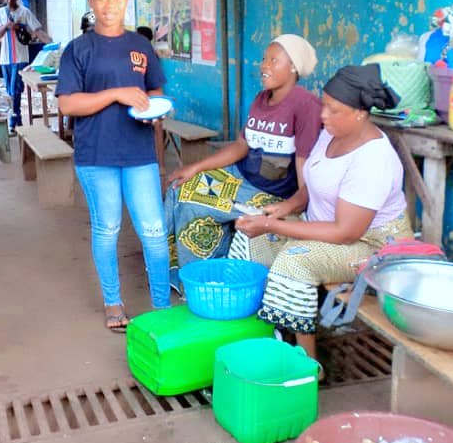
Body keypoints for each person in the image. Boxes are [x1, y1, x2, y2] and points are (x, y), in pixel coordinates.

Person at [231, 64, 412, 358]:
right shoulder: (331, 134)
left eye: (332, 109)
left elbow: (345, 232)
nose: (322, 115)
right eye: (323, 105)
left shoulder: (374, 159)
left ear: (360, 113)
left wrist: (274, 226)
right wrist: (284, 209)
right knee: (249, 237)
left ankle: (307, 363)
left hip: (371, 247)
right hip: (323, 228)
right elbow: (313, 186)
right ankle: (261, 333)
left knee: (295, 261)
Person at [56, 0, 171, 332]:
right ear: (91, 2)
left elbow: (154, 90)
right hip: (97, 155)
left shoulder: (140, 45)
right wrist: (116, 94)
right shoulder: (79, 50)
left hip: (139, 152)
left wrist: (154, 109)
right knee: (107, 228)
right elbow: (68, 105)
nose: (110, 5)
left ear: (127, 0)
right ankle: (113, 301)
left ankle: (163, 307)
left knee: (153, 230)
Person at [165, 34, 322, 291]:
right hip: (242, 177)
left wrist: (296, 206)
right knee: (181, 187)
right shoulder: (262, 98)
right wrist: (196, 167)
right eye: (264, 59)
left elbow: (307, 164)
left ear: (293, 66)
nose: (264, 66)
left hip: (271, 193)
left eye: (274, 60)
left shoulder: (306, 106)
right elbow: (242, 144)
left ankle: (207, 282)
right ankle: (178, 269)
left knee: (195, 204)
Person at [0, 0, 49, 133]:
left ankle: (12, 122)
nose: (9, 0)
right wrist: (6, 26)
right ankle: (18, 120)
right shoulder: (0, 13)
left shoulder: (25, 13)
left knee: (16, 90)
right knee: (10, 90)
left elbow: (36, 30)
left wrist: (50, 42)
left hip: (21, 57)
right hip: (5, 58)